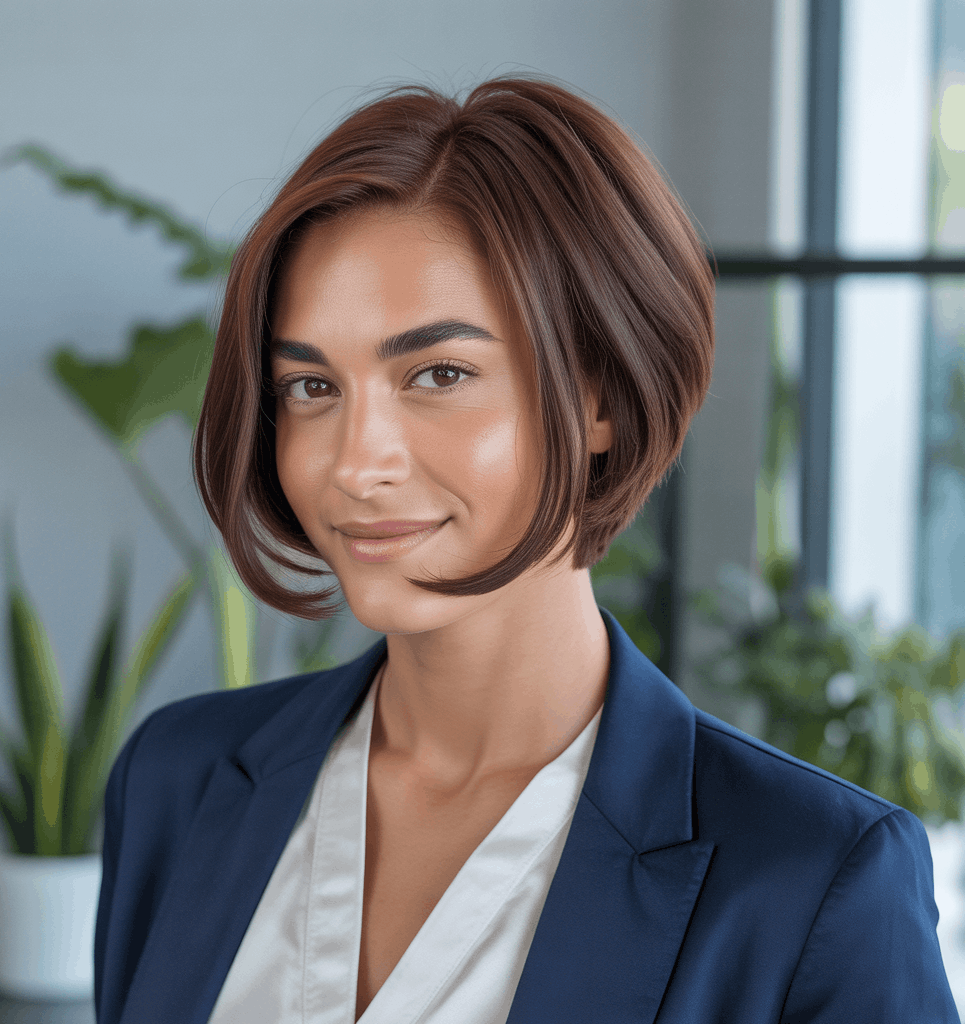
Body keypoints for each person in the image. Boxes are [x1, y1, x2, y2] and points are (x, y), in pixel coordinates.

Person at [93, 76, 957, 1024]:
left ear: (601, 399)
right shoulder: (177, 780)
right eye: (310, 386)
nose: (355, 463)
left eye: (439, 373)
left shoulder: (814, 878)